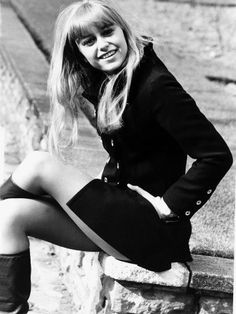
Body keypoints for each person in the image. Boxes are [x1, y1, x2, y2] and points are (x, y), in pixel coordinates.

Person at [0, 0, 233, 312]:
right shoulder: (112, 81)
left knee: (39, 164)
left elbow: (216, 154)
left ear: (124, 31)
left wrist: (168, 206)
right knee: (8, 216)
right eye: (88, 41)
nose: (103, 45)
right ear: (78, 52)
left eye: (107, 32)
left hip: (152, 229)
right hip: (121, 217)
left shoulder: (156, 86)